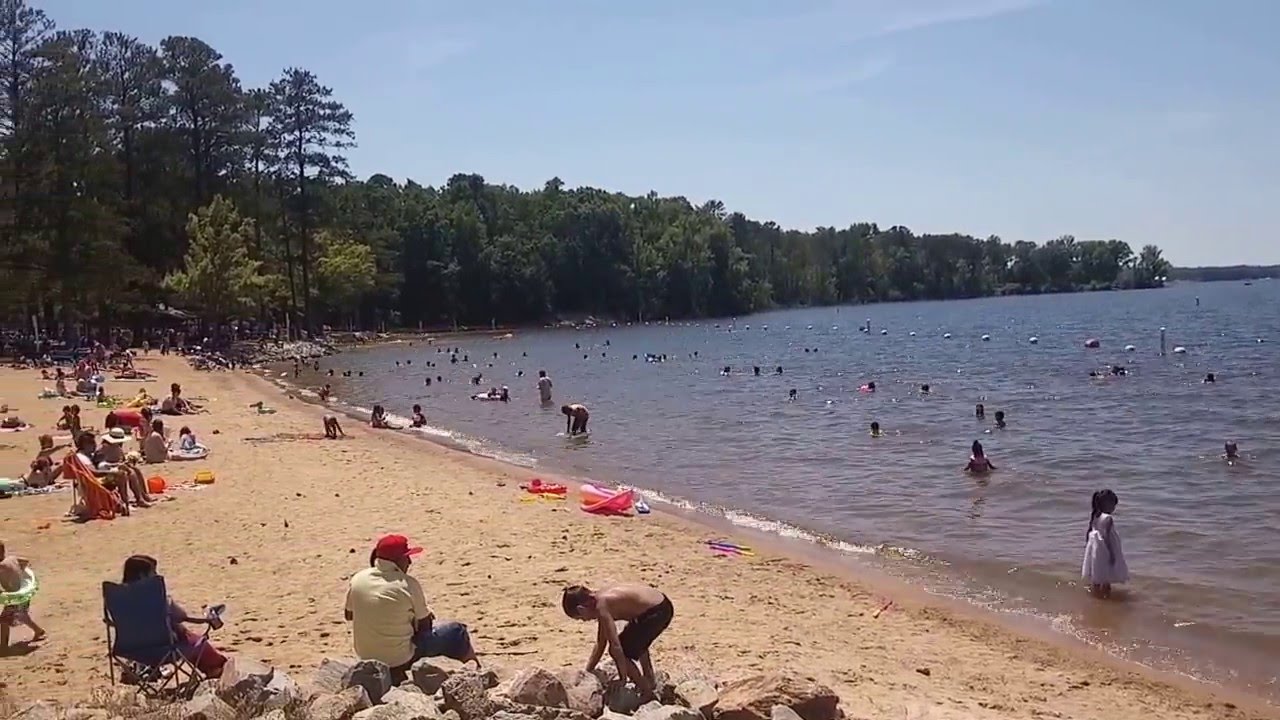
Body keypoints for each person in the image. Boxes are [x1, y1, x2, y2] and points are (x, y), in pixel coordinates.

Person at [345, 535, 478, 684]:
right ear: (396, 561)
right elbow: (425, 627)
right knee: (456, 632)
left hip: (366, 656)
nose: (409, 562)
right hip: (400, 660)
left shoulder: (358, 579)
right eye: (406, 558)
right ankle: (477, 676)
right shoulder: (408, 584)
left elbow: (349, 615)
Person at [120, 555, 227, 677]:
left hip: (131, 650)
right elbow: (181, 616)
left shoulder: (118, 598)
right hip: (163, 650)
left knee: (176, 628)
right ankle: (215, 668)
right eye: (153, 572)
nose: (156, 575)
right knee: (195, 641)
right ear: (142, 575)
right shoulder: (155, 597)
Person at [561, 584, 672, 699]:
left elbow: (615, 646)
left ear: (581, 609)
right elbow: (601, 642)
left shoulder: (602, 606)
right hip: (660, 604)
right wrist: (588, 671)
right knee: (635, 639)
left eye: (580, 618)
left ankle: (647, 692)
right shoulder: (600, 598)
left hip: (657, 612)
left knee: (622, 649)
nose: (584, 621)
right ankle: (649, 679)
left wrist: (622, 678)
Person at [1081, 490, 1128, 599]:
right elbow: (1107, 537)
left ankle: (1095, 597)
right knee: (1106, 574)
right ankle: (1106, 597)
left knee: (1097, 574)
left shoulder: (1095, 516)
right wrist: (1112, 554)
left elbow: (1089, 533)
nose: (1114, 508)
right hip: (1105, 548)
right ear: (1106, 504)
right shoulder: (1108, 518)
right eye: (1113, 505)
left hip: (1095, 548)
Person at [0, 541, 46, 651]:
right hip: (24, 594)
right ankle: (39, 631)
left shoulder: (1, 566)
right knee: (23, 616)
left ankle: (3, 646)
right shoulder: (12, 559)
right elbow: (25, 562)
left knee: (3, 621)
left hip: (15, 598)